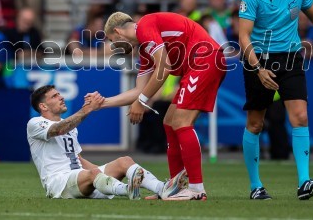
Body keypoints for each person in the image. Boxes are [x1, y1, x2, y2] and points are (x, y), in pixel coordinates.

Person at [239, 0, 313, 200]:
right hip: (258, 60)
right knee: (256, 124)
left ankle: (304, 182)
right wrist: (258, 69)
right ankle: (256, 186)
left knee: (300, 116)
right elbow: (243, 37)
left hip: (291, 57)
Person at [101, 11, 227, 200]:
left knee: (182, 122)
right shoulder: (145, 49)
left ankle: (196, 189)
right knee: (169, 121)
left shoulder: (145, 26)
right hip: (198, 63)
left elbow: (165, 66)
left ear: (118, 32)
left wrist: (142, 101)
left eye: (112, 40)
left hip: (204, 59)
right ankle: (174, 188)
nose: (114, 46)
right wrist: (103, 103)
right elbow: (138, 91)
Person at [27, 85, 188, 199]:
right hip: (59, 184)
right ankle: (127, 190)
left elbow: (78, 159)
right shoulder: (35, 123)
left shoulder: (72, 127)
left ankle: (163, 189)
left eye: (59, 94)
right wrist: (87, 109)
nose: (61, 97)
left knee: (124, 162)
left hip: (83, 178)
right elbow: (58, 129)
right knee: (94, 174)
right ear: (43, 106)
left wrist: (104, 173)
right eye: (54, 96)